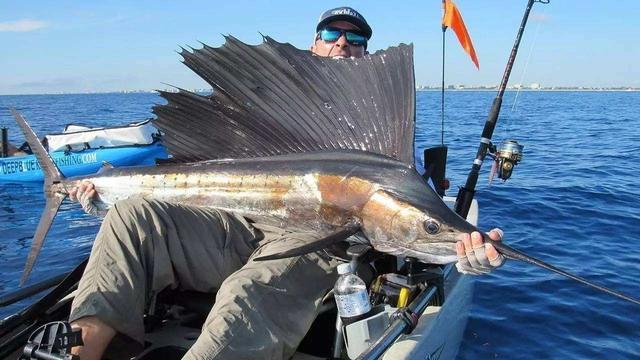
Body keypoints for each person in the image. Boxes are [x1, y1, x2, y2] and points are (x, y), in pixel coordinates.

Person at [67, 7, 505, 360]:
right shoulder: (273, 101)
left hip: (317, 244)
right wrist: (104, 197)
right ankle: (81, 352)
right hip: (234, 224)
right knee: (132, 215)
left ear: (366, 53)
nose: (343, 45)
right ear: (313, 43)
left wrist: (462, 254)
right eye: (332, 34)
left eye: (355, 40)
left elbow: (413, 220)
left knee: (247, 293)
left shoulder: (382, 130)